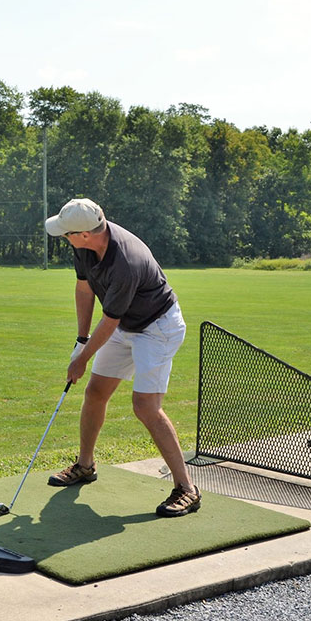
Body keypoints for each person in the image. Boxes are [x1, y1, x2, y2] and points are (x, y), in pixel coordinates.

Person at [43, 197, 199, 518]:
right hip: (125, 323)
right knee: (95, 392)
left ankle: (186, 488)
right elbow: (85, 290)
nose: (64, 237)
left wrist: (82, 359)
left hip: (157, 327)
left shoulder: (126, 262)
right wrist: (80, 340)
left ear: (84, 233)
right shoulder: (84, 246)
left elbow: (110, 320)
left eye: (66, 233)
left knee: (145, 407)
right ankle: (85, 466)